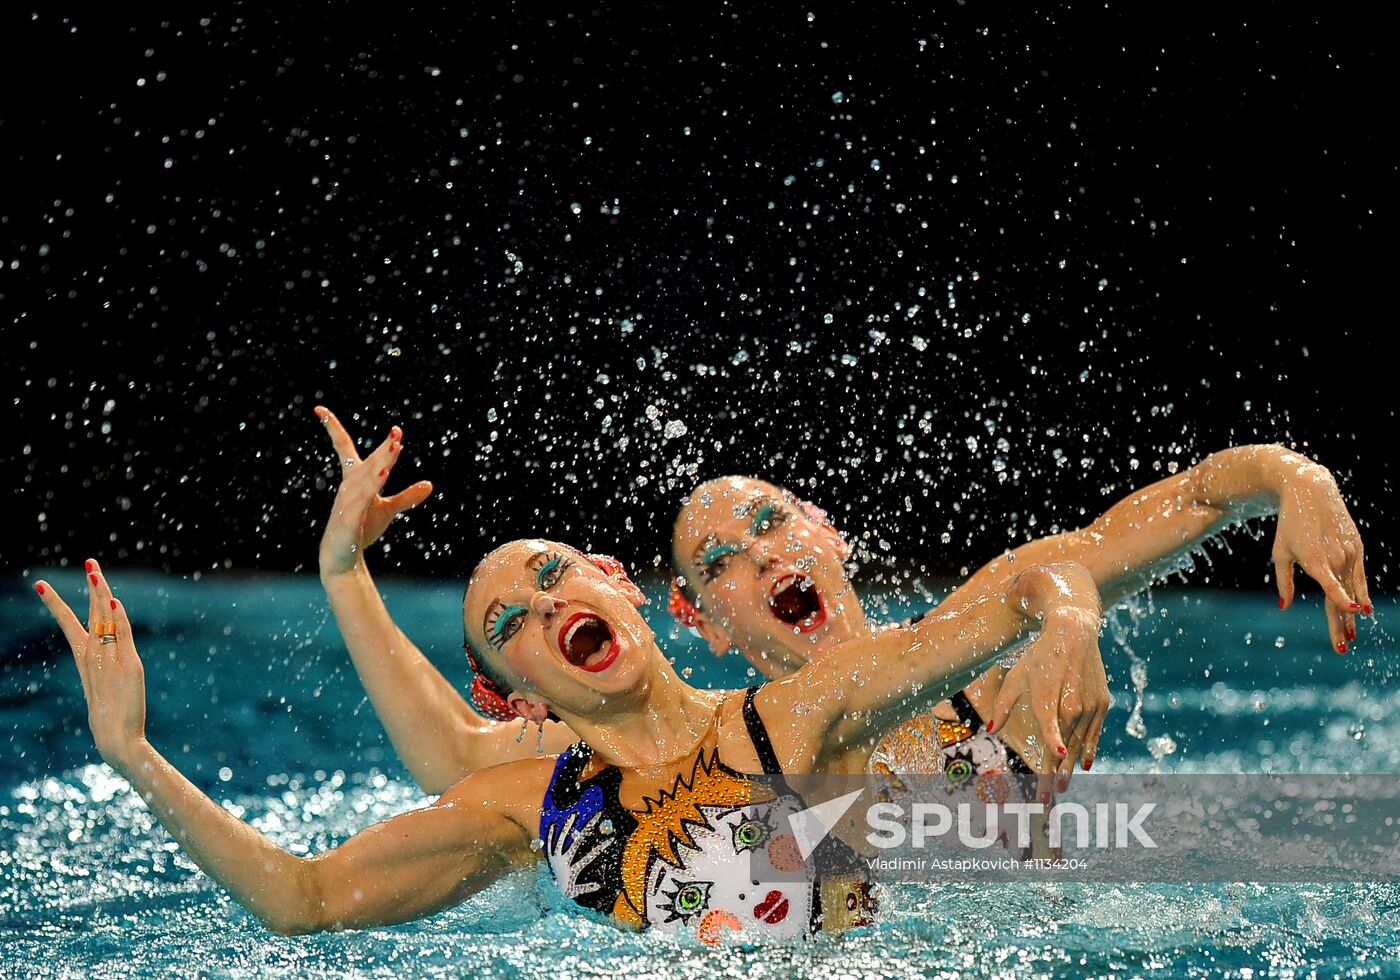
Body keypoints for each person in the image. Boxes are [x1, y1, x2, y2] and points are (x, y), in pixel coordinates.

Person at [36, 543, 1104, 939]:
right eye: (511, 625)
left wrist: (1066, 620)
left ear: (617, 584)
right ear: (509, 694)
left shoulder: (793, 713)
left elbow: (1016, 588)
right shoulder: (526, 807)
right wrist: (133, 752)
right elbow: (302, 899)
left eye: (555, 580)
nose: (545, 612)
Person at [664, 446, 1373, 782]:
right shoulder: (715, 755)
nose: (761, 557)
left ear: (828, 536)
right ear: (704, 625)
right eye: (721, 562)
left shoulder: (986, 641)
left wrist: (1293, 476)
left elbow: (1190, 502)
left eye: (772, 522)